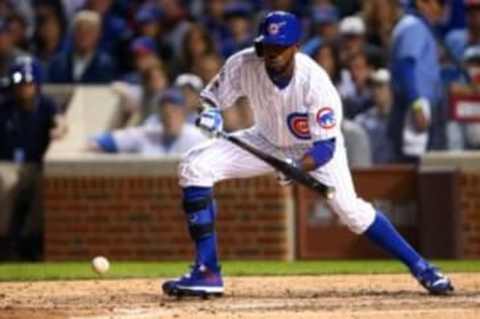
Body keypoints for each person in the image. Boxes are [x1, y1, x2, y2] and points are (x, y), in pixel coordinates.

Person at [162, 11, 454, 298]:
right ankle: (208, 272)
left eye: (281, 47)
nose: (273, 53)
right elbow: (209, 98)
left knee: (351, 212)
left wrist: (295, 167)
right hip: (264, 139)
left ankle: (422, 268)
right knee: (195, 165)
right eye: (268, 46)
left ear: (295, 48)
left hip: (311, 149)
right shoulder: (243, 63)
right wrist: (209, 112)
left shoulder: (315, 82)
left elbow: (325, 148)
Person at [0, 57, 66, 259]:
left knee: (44, 184)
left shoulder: (46, 105)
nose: (23, 88)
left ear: (36, 83)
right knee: (4, 181)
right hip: (7, 164)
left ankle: (29, 239)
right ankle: (3, 240)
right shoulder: (5, 106)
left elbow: (60, 122)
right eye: (19, 84)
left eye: (27, 83)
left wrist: (59, 129)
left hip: (35, 164)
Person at [388, 0, 446, 163]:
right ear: (422, 3)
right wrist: (416, 105)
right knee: (413, 167)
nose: (441, 10)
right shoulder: (414, 27)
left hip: (418, 108)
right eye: (438, 4)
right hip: (413, 110)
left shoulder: (417, 26)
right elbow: (405, 67)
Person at [87, 88, 207, 155]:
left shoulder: (197, 137)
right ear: (160, 115)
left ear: (183, 114)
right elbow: (99, 141)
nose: (170, 117)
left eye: (174, 112)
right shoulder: (147, 133)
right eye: (166, 113)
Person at [47, 10, 116, 83]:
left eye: (89, 31)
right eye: (80, 30)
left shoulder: (106, 64)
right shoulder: (58, 63)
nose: (84, 35)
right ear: (73, 33)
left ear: (98, 35)